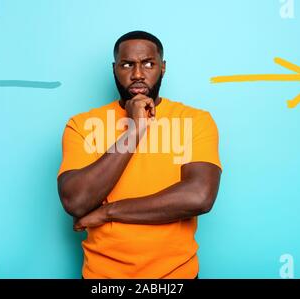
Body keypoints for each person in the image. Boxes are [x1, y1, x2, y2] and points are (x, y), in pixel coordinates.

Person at [57, 30, 222, 279]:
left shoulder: (195, 121)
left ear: (163, 68)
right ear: (114, 69)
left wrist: (108, 211)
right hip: (103, 278)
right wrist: (136, 129)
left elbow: (199, 196)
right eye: (127, 65)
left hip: (176, 277)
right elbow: (76, 201)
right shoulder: (82, 124)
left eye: (148, 64)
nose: (137, 74)